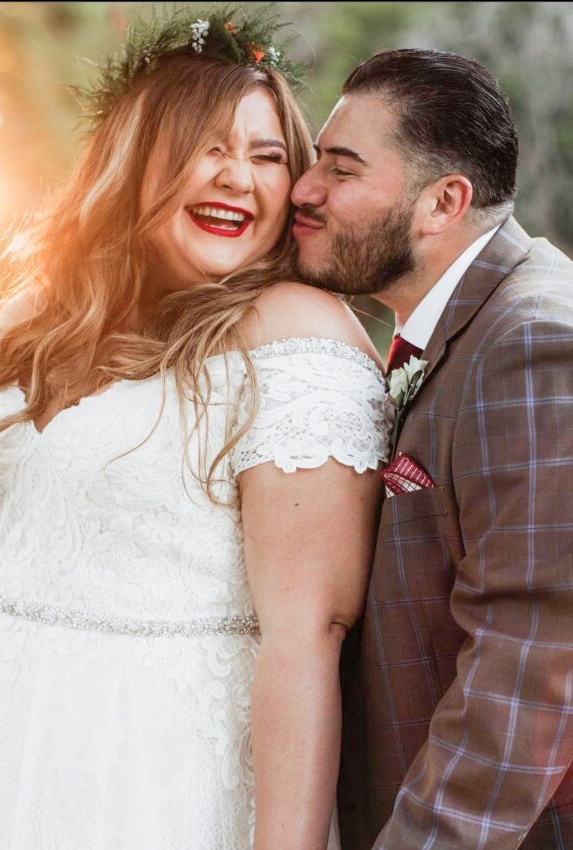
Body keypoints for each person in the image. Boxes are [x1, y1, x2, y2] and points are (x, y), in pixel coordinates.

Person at [0, 9, 394, 849]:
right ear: (133, 163)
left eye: (268, 155)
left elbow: (307, 640)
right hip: (1, 746)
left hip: (155, 777)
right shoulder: (38, 320)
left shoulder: (295, 332)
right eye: (208, 146)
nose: (239, 177)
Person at [291, 48, 573, 850]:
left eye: (341, 170)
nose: (304, 191)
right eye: (314, 161)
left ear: (444, 202)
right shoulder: (463, 327)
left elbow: (529, 671)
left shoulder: (536, 343)